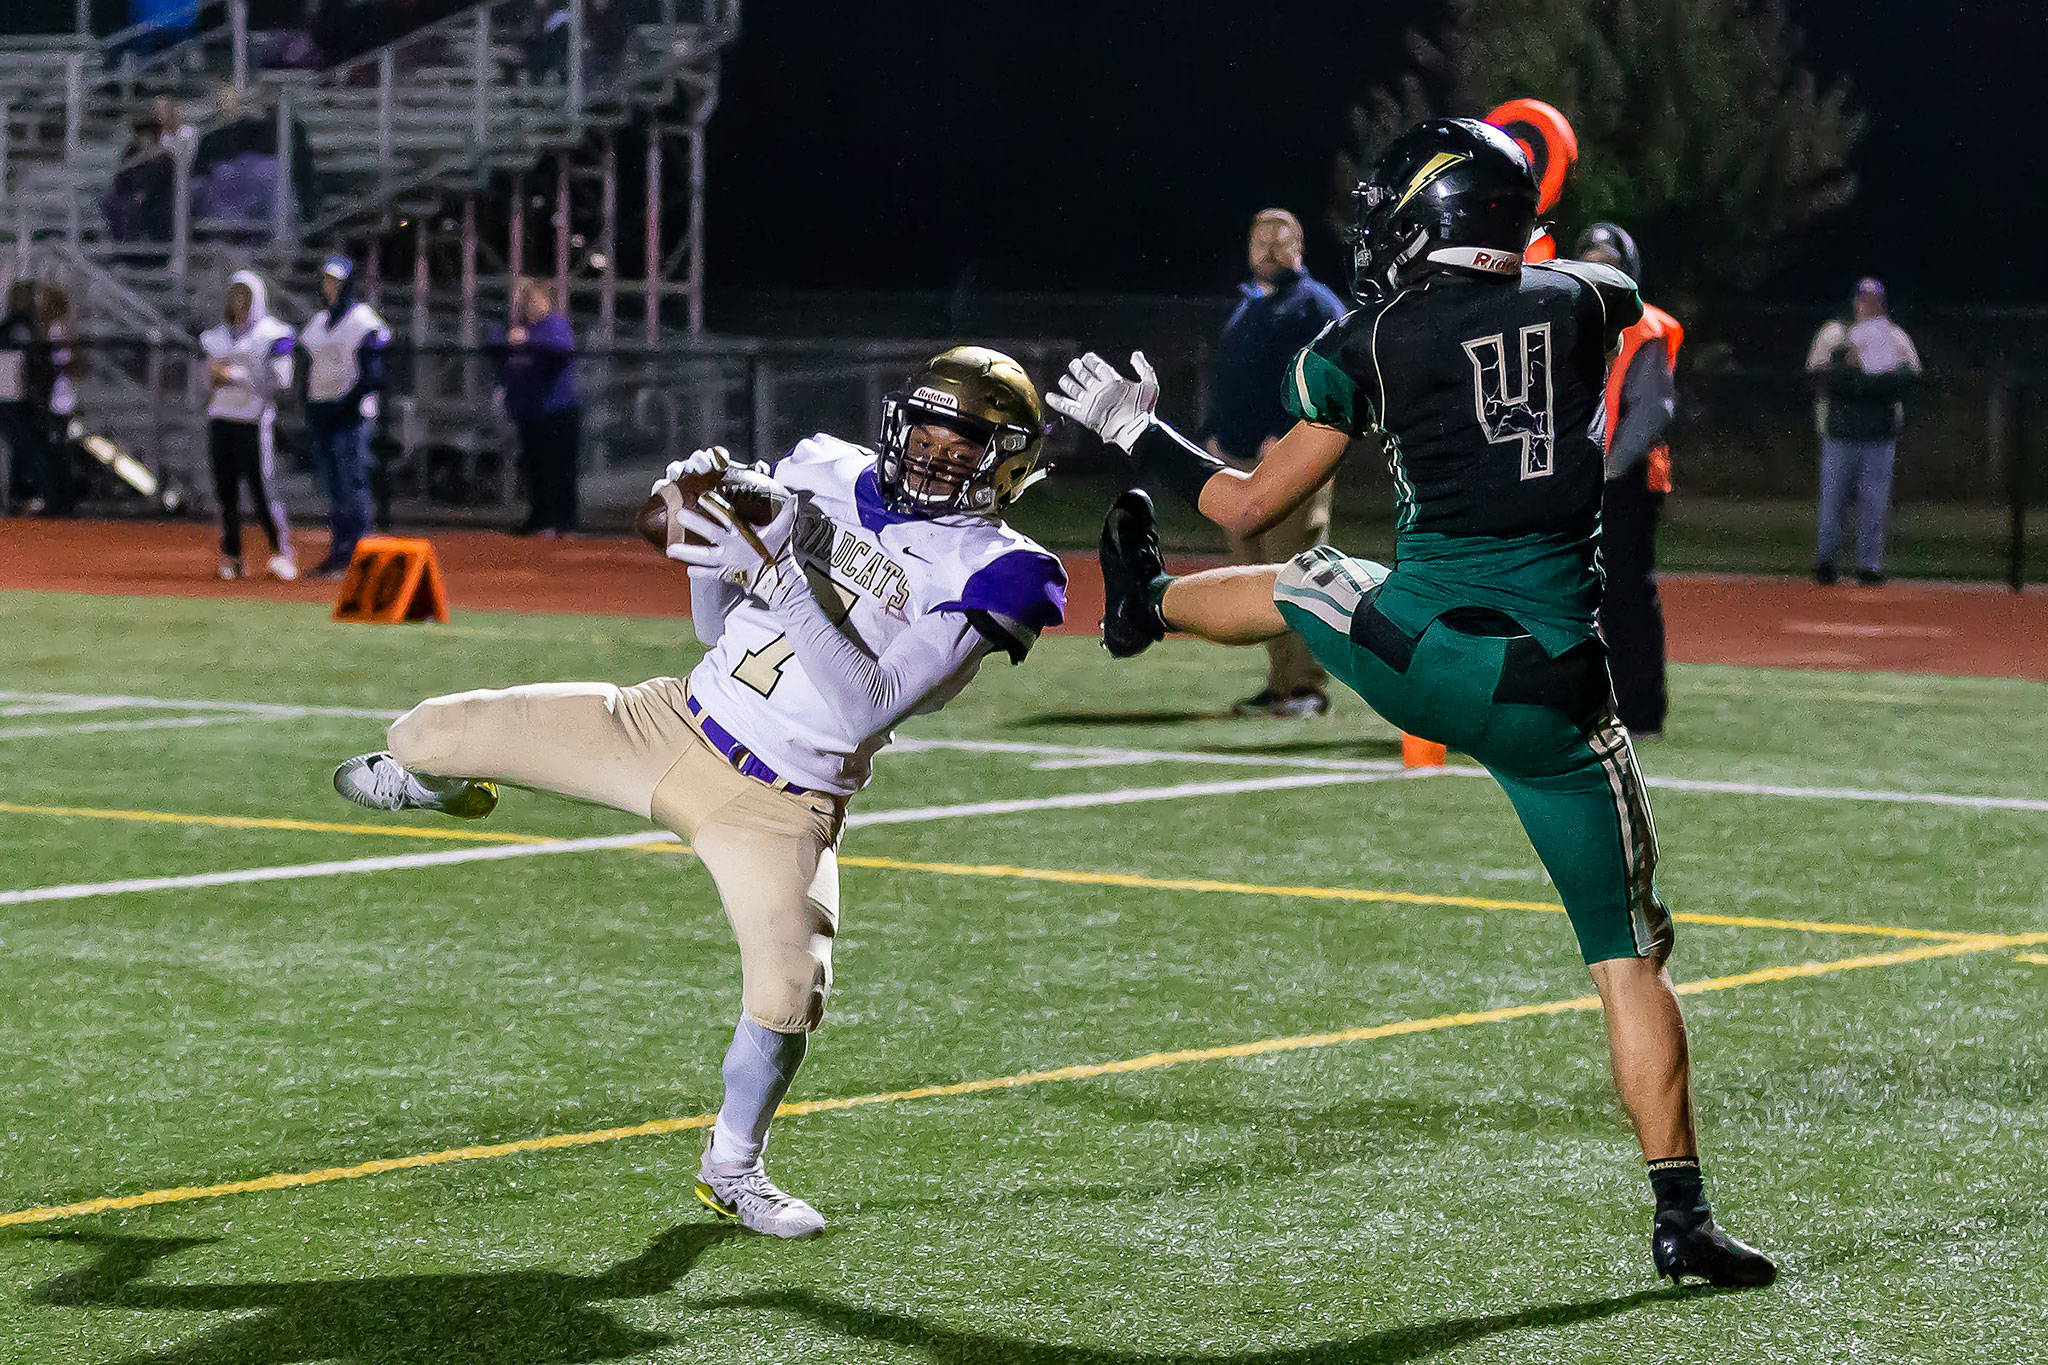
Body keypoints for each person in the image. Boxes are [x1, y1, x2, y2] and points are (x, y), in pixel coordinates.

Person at [1048, 119, 1775, 1290]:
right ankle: (1679, 1217)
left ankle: (1146, 606)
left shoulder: (1367, 341)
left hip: (1423, 661)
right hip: (1554, 698)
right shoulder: (1591, 299)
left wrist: (1136, 431)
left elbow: (1244, 504)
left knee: (1311, 578)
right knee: (1628, 959)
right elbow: (1575, 287)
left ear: (1423, 223)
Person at [330, 348, 1066, 1238]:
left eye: (963, 446)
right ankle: (450, 788)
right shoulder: (820, 469)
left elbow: (867, 703)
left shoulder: (1004, 569)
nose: (935, 457)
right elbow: (714, 628)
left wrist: (780, 570)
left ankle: (733, 1166)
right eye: (927, 435)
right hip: (671, 721)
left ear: (1006, 462)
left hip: (787, 799)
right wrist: (704, 537)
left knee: (790, 993)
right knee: (420, 734)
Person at [1202, 208, 1346, 718]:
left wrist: (1288, 433)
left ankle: (1307, 686)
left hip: (1292, 462)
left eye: (1277, 240)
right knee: (1259, 579)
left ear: (1298, 247)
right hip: (1239, 463)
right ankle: (1280, 682)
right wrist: (1214, 433)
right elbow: (1229, 377)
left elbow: (1335, 377)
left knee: (1297, 571)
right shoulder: (1249, 303)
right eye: (1258, 240)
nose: (1266, 250)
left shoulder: (1316, 304)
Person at [1578, 223, 1681, 738]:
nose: (1598, 271)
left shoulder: (1645, 327)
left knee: (1624, 593)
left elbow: (1650, 411)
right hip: (1582, 475)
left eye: (1609, 263)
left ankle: (1640, 709)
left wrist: (1608, 467)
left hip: (1625, 478)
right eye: (1589, 260)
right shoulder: (1569, 320)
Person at [1806, 278, 1920, 586]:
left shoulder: (1894, 336)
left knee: (1875, 504)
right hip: (1840, 432)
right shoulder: (1834, 333)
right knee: (1833, 501)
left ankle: (1869, 566)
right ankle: (1827, 562)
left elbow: (1909, 377)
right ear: (1855, 300)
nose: (1868, 303)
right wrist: (1859, 377)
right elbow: (1822, 377)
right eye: (1864, 297)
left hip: (1879, 434)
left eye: (1874, 298)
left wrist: (1861, 378)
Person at [200, 270, 298, 580]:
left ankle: (280, 551)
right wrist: (227, 376)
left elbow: (281, 379)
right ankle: (232, 554)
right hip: (221, 417)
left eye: (245, 294)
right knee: (225, 492)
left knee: (262, 491)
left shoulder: (273, 334)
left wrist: (234, 375)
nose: (239, 301)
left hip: (253, 421)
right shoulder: (215, 337)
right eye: (235, 294)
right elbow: (206, 379)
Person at [298, 256, 389, 577]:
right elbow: (307, 364)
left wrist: (347, 403)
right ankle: (340, 549)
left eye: (336, 281)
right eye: (327, 280)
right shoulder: (319, 322)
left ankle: (356, 551)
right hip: (323, 411)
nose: (330, 287)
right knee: (334, 486)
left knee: (352, 481)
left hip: (351, 414)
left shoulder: (362, 320)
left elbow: (373, 374)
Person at [496, 278, 582, 537]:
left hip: (559, 410)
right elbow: (494, 344)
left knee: (560, 468)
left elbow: (562, 348)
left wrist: (528, 340)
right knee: (535, 468)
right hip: (532, 412)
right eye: (525, 301)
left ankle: (564, 523)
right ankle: (540, 519)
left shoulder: (553, 325)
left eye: (534, 300)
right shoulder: (518, 329)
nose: (528, 306)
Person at [27, 284, 79, 518]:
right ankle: (56, 497)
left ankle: (60, 498)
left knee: (57, 449)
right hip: (55, 396)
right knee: (54, 449)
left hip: (61, 396)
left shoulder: (59, 328)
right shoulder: (52, 328)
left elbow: (64, 361)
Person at [0, 281, 36, 512]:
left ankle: (16, 494)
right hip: (15, 396)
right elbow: (26, 367)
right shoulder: (22, 329)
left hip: (6, 395)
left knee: (15, 448)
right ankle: (19, 494)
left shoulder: (7, 327)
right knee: (21, 446)